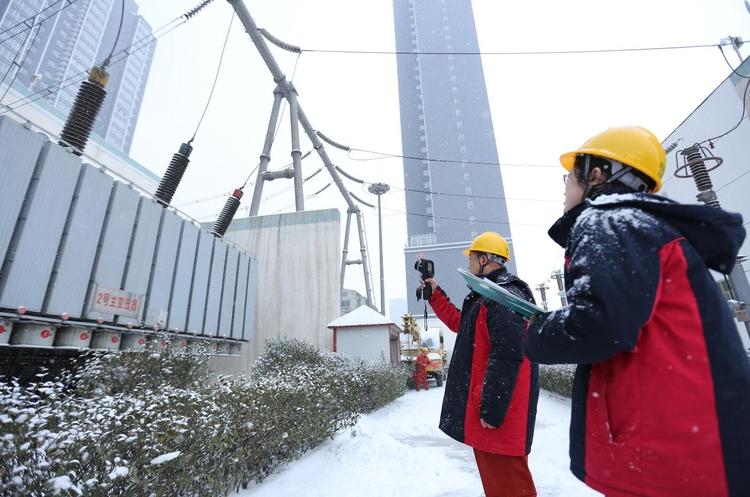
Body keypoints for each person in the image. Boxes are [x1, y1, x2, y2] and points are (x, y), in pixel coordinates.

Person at [525, 126, 750, 497]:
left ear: (596, 175)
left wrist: (535, 332)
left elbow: (596, 324)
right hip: (698, 448)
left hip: (669, 460)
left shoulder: (611, 221)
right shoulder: (647, 227)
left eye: (569, 176)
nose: (565, 187)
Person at [423, 232, 539, 497]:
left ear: (485, 259)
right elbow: (460, 324)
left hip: (499, 414)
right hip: (491, 411)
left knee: (509, 487)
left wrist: (491, 408)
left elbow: (509, 354)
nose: (469, 263)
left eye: (472, 258)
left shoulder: (506, 296)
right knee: (500, 486)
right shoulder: (487, 296)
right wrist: (435, 294)